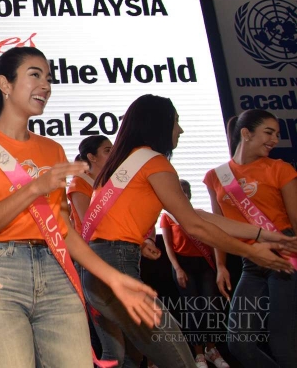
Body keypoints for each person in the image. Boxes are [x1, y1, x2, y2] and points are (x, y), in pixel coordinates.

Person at [0, 47, 162, 367]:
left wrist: (113, 278)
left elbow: (64, 230)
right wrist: (35, 187)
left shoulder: (52, 149)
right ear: (5, 85)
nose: (46, 86)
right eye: (34, 75)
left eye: (49, 78)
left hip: (56, 273)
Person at [82, 94, 294, 368]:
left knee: (125, 360)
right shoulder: (153, 162)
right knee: (180, 361)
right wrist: (252, 250)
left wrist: (263, 235)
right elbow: (194, 225)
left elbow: (196, 215)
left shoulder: (119, 164)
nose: (180, 130)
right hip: (119, 267)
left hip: (95, 270)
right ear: (159, 124)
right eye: (176, 122)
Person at [204, 109, 297, 367]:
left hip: (285, 257)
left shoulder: (280, 168)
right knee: (239, 342)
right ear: (246, 133)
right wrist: (221, 265)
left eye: (277, 134)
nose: (275, 139)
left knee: (283, 342)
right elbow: (217, 227)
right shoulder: (216, 176)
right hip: (251, 263)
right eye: (269, 132)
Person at [161, 180, 229, 368]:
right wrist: (178, 269)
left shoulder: (200, 215)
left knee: (211, 308)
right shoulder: (168, 217)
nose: (183, 195)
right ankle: (198, 354)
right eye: (179, 192)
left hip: (205, 265)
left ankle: (211, 350)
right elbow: (168, 246)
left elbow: (214, 240)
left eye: (185, 191)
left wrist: (219, 266)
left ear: (190, 194)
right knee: (193, 311)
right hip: (183, 266)